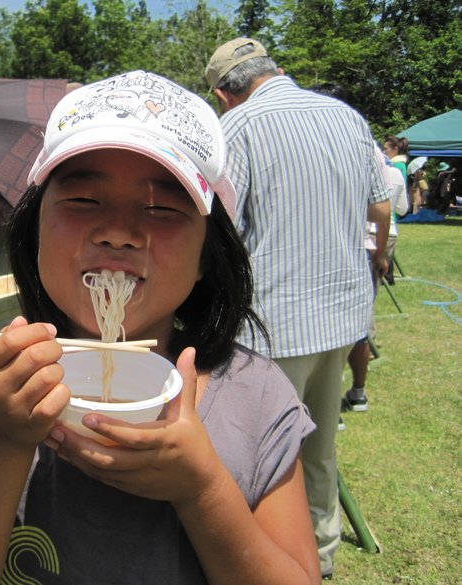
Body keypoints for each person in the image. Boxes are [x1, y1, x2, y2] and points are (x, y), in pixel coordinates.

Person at [0, 71, 321, 585]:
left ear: (206, 257)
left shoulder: (255, 397)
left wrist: (202, 490)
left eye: (162, 208)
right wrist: (3, 440)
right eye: (84, 201)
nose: (120, 232)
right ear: (34, 232)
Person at [205, 38, 391, 579]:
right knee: (320, 447)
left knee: (262, 454)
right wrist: (377, 260)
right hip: (341, 317)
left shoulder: (236, 129)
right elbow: (380, 205)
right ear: (278, 70)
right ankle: (323, 555)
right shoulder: (346, 116)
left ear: (223, 95)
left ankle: (271, 557)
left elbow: (220, 234)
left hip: (273, 325)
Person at [344, 147, 409, 417]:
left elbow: (384, 213)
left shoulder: (354, 158)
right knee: (358, 324)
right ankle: (356, 394)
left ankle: (344, 401)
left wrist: (380, 253)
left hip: (353, 249)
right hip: (360, 248)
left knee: (347, 328)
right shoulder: (382, 166)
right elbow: (391, 212)